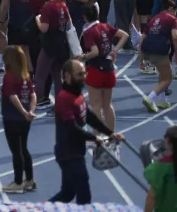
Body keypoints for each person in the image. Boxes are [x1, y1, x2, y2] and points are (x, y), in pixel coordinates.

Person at [50, 59, 123, 204]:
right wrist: (94, 138)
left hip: (76, 151)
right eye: (80, 74)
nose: (84, 77)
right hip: (69, 154)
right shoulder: (64, 98)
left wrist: (110, 133)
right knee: (84, 193)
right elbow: (71, 128)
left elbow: (88, 116)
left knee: (67, 194)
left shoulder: (77, 94)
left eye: (84, 73)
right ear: (68, 76)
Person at [80, 2, 128, 130]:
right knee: (108, 105)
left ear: (85, 17)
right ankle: (111, 135)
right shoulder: (106, 26)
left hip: (95, 70)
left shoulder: (88, 32)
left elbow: (95, 52)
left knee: (96, 107)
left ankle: (97, 137)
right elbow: (125, 35)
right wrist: (115, 50)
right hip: (109, 70)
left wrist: (82, 57)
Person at [0, 45, 37, 193]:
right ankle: (30, 180)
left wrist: (23, 112)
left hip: (12, 118)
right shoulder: (25, 76)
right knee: (24, 148)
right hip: (25, 120)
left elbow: (13, 97)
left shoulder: (9, 77)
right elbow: (33, 95)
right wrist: (30, 111)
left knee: (16, 151)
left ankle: (18, 182)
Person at [139, 0, 177, 113]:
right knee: (168, 78)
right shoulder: (173, 19)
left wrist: (141, 59)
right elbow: (175, 37)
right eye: (175, 11)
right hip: (159, 50)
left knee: (162, 75)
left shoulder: (154, 19)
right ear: (171, 9)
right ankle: (150, 98)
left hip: (147, 49)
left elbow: (142, 39)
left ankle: (162, 100)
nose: (176, 14)